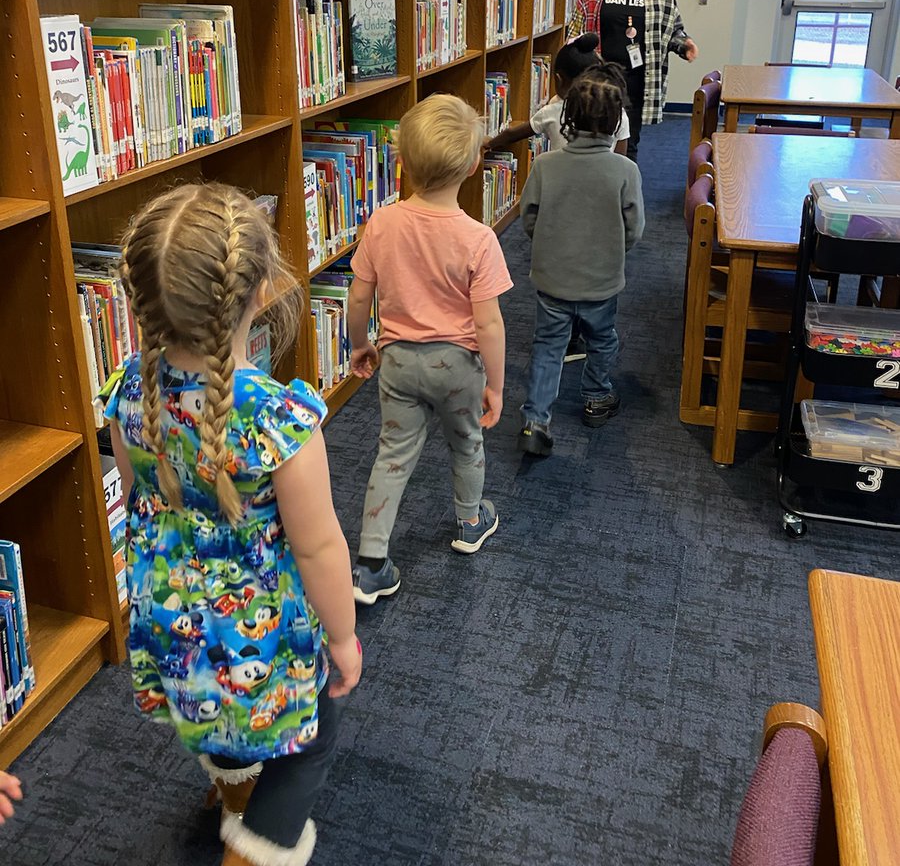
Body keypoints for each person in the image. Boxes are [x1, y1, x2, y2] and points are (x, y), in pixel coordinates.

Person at [101, 182, 360, 866]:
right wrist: (343, 636)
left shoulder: (129, 393)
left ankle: (232, 786)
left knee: (218, 723)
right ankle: (253, 850)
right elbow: (319, 545)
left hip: (173, 613)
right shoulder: (276, 421)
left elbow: (139, 500)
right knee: (311, 743)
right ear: (260, 292)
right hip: (262, 636)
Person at [348, 94, 513, 604]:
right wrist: (496, 385)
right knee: (466, 442)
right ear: (473, 163)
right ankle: (469, 522)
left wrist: (360, 344)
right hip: (458, 367)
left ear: (400, 162)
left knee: (392, 455)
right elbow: (488, 322)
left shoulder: (382, 223)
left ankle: (372, 562)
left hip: (398, 362)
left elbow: (358, 295)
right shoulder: (478, 238)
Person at [517, 74, 645, 456]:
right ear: (615, 122)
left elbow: (528, 218)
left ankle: (536, 419)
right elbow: (634, 228)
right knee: (602, 339)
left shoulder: (545, 165)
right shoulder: (625, 171)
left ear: (567, 118)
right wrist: (611, 251)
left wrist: (551, 246)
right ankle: (596, 397)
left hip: (552, 278)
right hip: (601, 280)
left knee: (548, 345)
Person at [567, 0, 699, 159]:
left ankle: (625, 193)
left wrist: (684, 46)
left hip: (637, 79)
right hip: (600, 75)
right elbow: (577, 26)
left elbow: (672, 30)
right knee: (593, 136)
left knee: (628, 141)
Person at [485, 33, 630, 156]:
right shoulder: (617, 113)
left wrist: (488, 143)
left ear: (558, 80)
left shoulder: (553, 110)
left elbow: (512, 134)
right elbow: (621, 157)